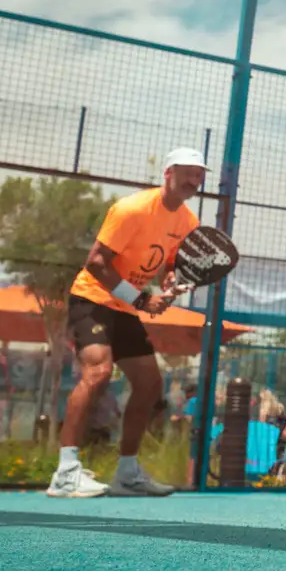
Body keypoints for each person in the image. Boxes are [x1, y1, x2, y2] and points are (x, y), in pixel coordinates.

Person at [45, 147, 205, 498]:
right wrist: (142, 299)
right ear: (168, 173)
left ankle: (127, 473)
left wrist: (170, 280)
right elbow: (97, 262)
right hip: (92, 298)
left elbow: (173, 262)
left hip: (125, 306)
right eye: (188, 173)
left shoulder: (188, 222)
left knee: (150, 384)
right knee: (98, 373)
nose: (195, 181)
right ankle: (66, 472)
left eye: (200, 175)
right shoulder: (131, 209)